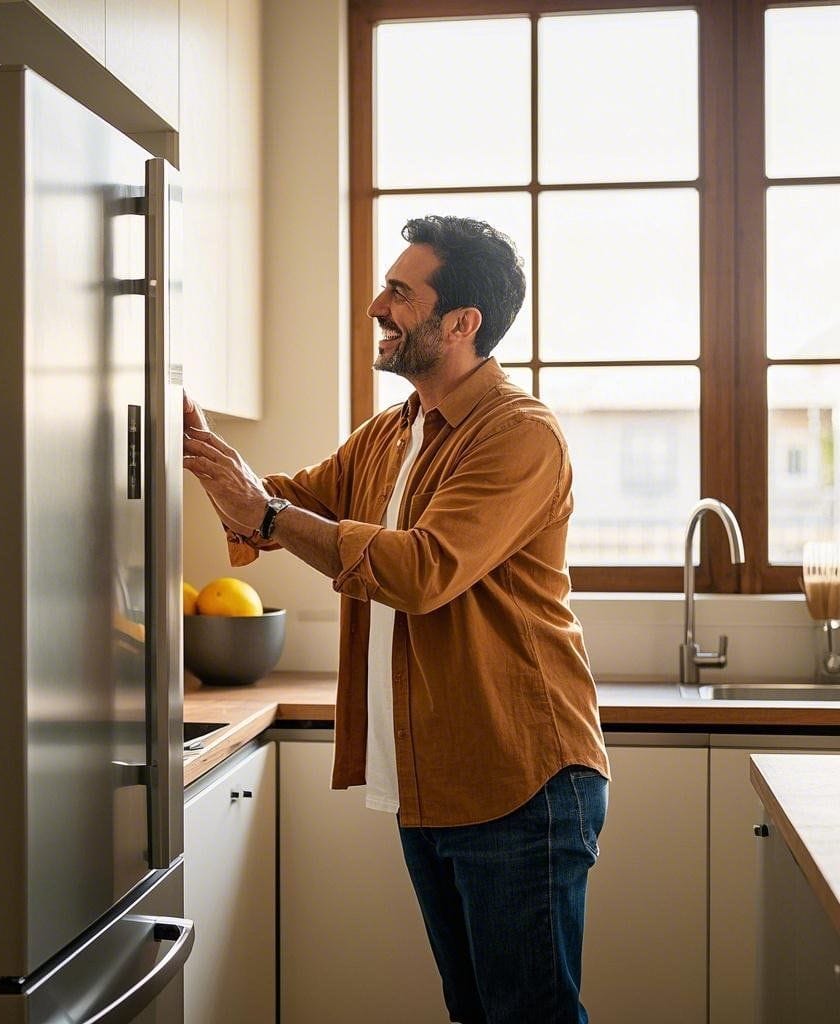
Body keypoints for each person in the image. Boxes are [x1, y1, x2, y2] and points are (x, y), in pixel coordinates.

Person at [182, 215, 610, 1024]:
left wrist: (265, 513)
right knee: (474, 1012)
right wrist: (204, 454)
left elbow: (420, 569)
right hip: (437, 781)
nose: (377, 305)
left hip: (521, 777)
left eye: (400, 293)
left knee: (529, 1016)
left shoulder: (519, 434)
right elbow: (288, 504)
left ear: (461, 324)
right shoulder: (394, 431)